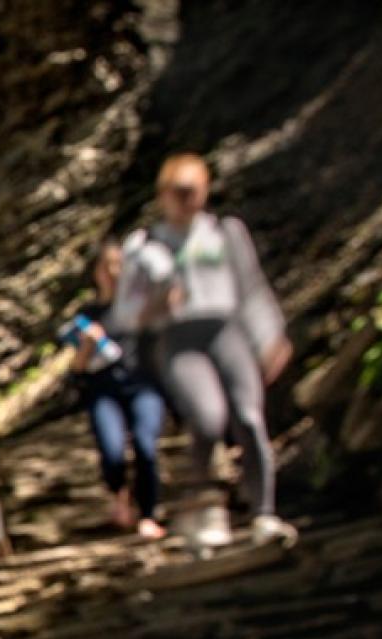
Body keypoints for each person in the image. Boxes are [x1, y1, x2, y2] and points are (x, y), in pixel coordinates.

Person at [113, 153, 298, 548]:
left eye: (195, 191)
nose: (188, 201)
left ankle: (263, 511)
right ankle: (208, 510)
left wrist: (268, 337)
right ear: (163, 195)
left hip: (226, 329)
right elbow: (124, 313)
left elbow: (251, 289)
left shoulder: (225, 233)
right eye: (180, 193)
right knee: (208, 418)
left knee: (249, 417)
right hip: (178, 338)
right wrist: (154, 307)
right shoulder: (145, 246)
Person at [58, 236, 167, 540]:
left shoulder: (140, 308)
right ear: (97, 272)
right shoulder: (88, 315)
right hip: (102, 390)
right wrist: (88, 345)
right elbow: (76, 370)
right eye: (107, 266)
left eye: (120, 265)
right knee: (112, 450)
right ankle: (119, 495)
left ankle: (148, 513)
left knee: (146, 444)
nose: (114, 272)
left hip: (142, 384)